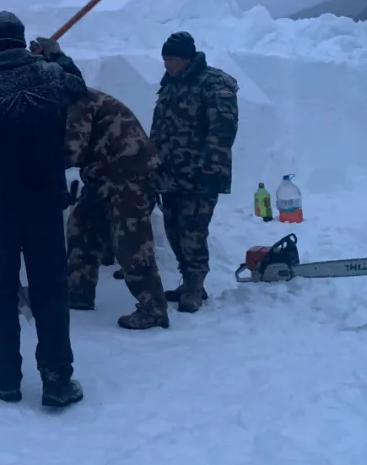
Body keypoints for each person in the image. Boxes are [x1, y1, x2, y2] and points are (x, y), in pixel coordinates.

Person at [0, 11, 87, 408]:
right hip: (43, 205)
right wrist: (57, 58)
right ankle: (57, 379)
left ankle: (5, 377)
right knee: (50, 292)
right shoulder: (52, 77)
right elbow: (80, 89)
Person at [30, 38, 172, 330]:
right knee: (81, 227)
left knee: (131, 241)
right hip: (103, 175)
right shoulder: (67, 94)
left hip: (131, 175)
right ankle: (77, 292)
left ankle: (154, 309)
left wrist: (27, 163)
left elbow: (71, 152)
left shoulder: (75, 102)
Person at [149, 31, 239, 313]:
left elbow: (223, 131)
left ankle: (195, 286)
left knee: (193, 231)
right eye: (164, 59)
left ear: (186, 58)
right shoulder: (170, 85)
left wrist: (207, 168)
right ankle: (187, 281)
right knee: (174, 229)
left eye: (171, 59)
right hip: (171, 173)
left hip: (200, 175)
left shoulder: (214, 83)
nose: (166, 65)